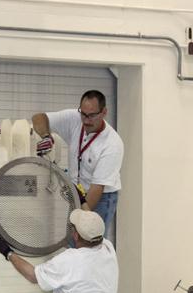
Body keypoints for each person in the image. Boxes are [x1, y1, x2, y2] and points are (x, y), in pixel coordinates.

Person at [30, 89, 124, 231]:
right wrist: (46, 136)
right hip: (77, 193)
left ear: (104, 112)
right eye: (83, 114)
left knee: (90, 240)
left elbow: (97, 189)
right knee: (74, 239)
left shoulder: (112, 144)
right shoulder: (74, 118)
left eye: (92, 115)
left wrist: (79, 219)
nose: (86, 120)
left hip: (101, 197)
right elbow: (39, 117)